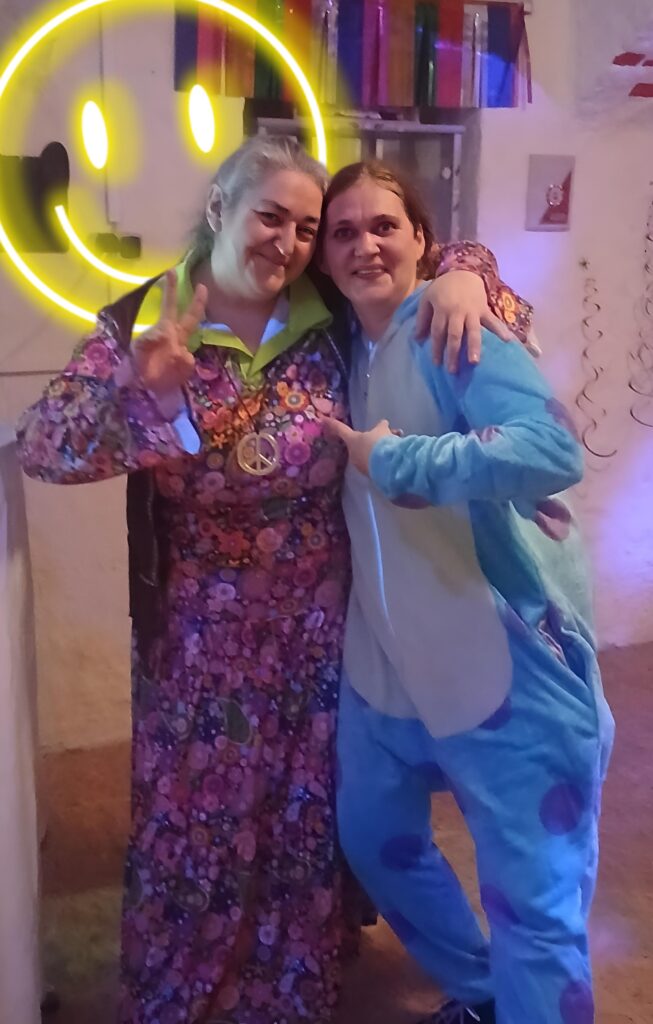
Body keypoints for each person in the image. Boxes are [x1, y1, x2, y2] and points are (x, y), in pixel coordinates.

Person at [17, 136, 532, 1024]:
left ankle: (289, 989)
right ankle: (190, 988)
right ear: (220, 208)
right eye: (270, 217)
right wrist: (141, 393)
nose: (288, 243)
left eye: (304, 227)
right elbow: (42, 446)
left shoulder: (326, 309)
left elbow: (428, 259)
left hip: (323, 617)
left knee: (306, 811)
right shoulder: (145, 319)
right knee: (198, 817)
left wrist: (465, 275)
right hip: (196, 630)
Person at [319, 160, 615, 1024]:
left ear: (421, 239)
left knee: (534, 912)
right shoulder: (339, 348)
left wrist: (395, 461)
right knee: (375, 839)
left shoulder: (453, 328)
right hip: (389, 673)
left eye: (385, 226)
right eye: (343, 232)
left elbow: (550, 451)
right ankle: (484, 993)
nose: (365, 245)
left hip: (509, 675)